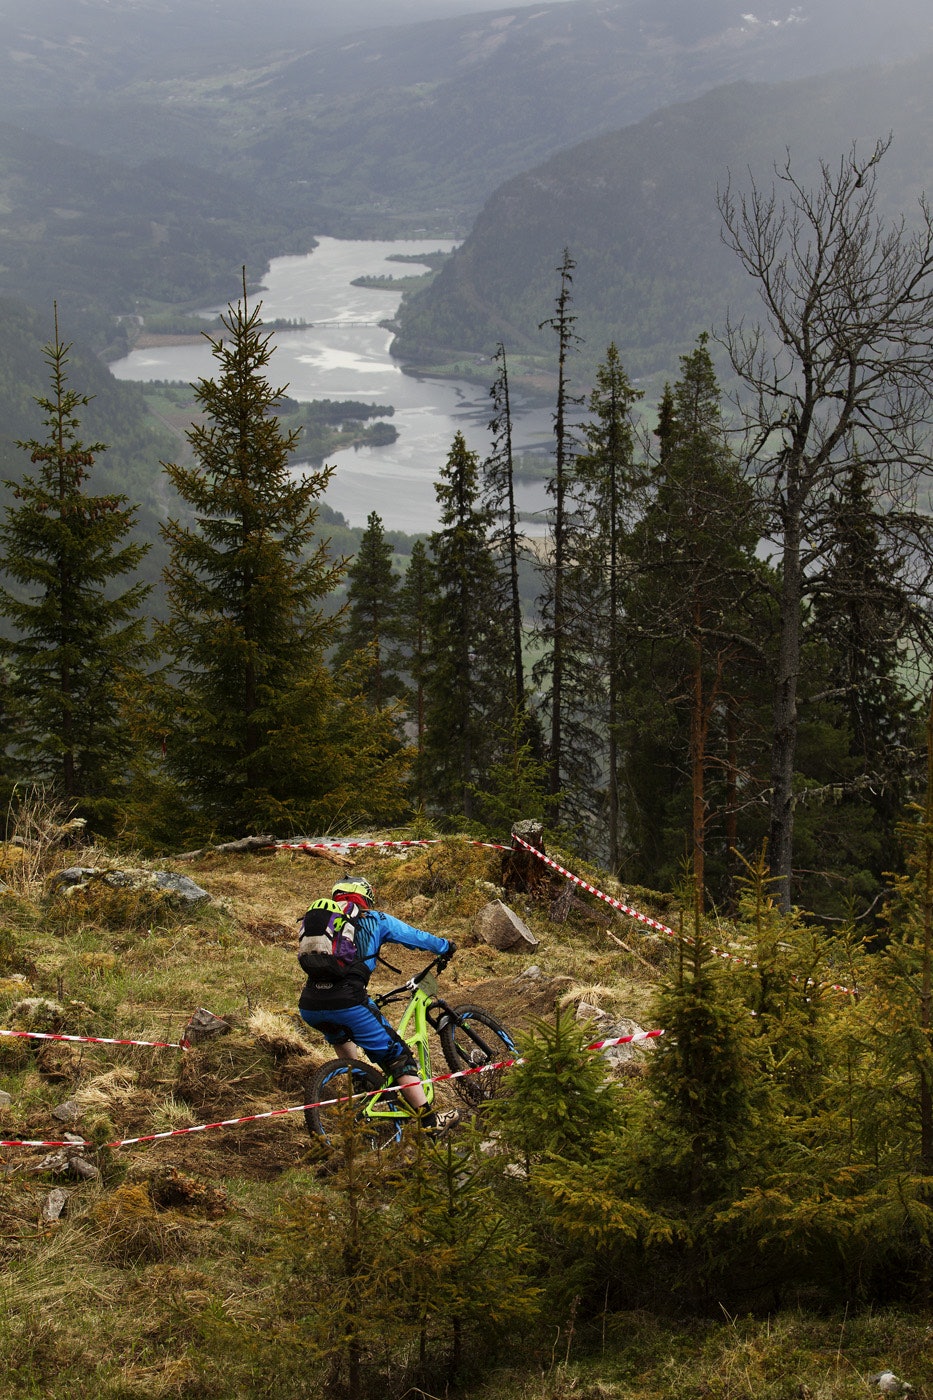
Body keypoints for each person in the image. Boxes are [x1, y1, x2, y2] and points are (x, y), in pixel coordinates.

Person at [298, 876, 459, 1135]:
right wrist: (445, 946)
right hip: (349, 1001)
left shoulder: (321, 920)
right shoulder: (375, 919)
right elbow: (415, 937)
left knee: (339, 1033)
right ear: (366, 898)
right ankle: (431, 1122)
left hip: (310, 1005)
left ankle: (365, 1084)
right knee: (398, 1057)